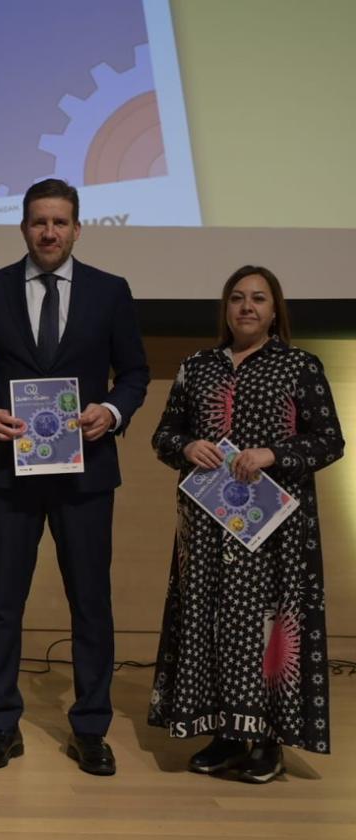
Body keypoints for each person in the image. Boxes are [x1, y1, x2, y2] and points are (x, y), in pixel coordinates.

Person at [0, 178, 149, 776]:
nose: (49, 232)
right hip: (9, 475)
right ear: (23, 227)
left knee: (90, 604)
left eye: (60, 222)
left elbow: (135, 373)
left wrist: (111, 411)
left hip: (86, 476)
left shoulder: (110, 292)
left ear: (77, 228)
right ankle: (0, 726)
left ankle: (91, 727)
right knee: (2, 605)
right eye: (39, 222)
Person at [148, 266, 344, 783]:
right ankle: (227, 734)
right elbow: (164, 435)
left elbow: (330, 442)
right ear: (225, 309)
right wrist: (186, 446)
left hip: (275, 530)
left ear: (275, 308)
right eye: (237, 298)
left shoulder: (300, 366)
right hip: (209, 527)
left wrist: (273, 452)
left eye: (259, 298)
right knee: (216, 623)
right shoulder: (198, 366)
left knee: (267, 626)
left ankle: (270, 741)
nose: (247, 306)